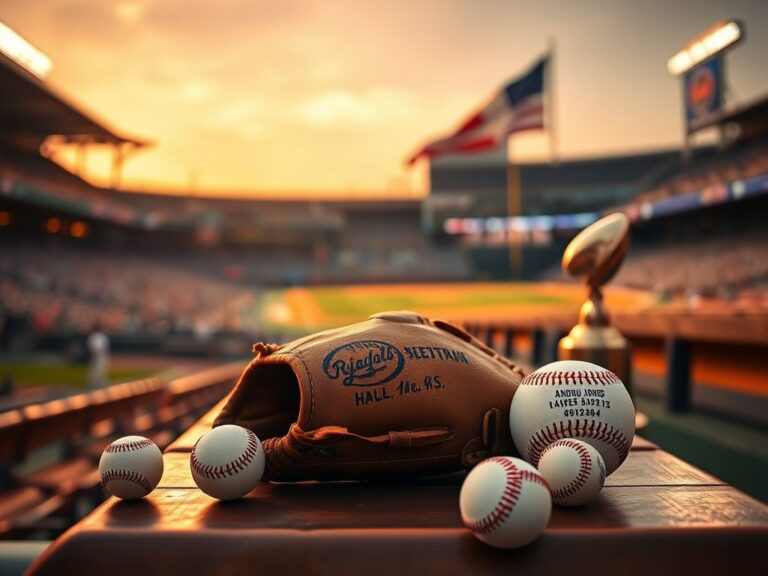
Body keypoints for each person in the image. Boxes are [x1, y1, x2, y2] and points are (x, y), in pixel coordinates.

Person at [87, 324, 110, 388]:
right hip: (98, 355)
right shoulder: (96, 336)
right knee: (96, 370)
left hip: (100, 355)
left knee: (99, 370)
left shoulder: (98, 336)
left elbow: (103, 347)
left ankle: (99, 384)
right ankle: (94, 384)